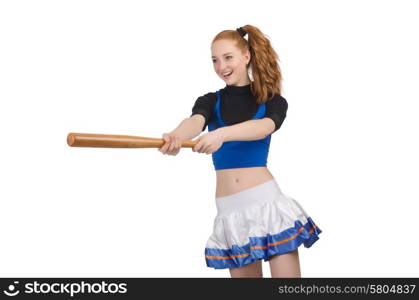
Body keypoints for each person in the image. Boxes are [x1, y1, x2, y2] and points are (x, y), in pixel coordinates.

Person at [158, 25, 322, 278]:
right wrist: (176, 137)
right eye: (214, 60)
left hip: (267, 205)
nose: (221, 66)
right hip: (230, 214)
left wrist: (221, 134)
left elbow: (264, 127)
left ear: (246, 56)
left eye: (228, 57)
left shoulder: (272, 100)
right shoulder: (210, 100)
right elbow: (195, 121)